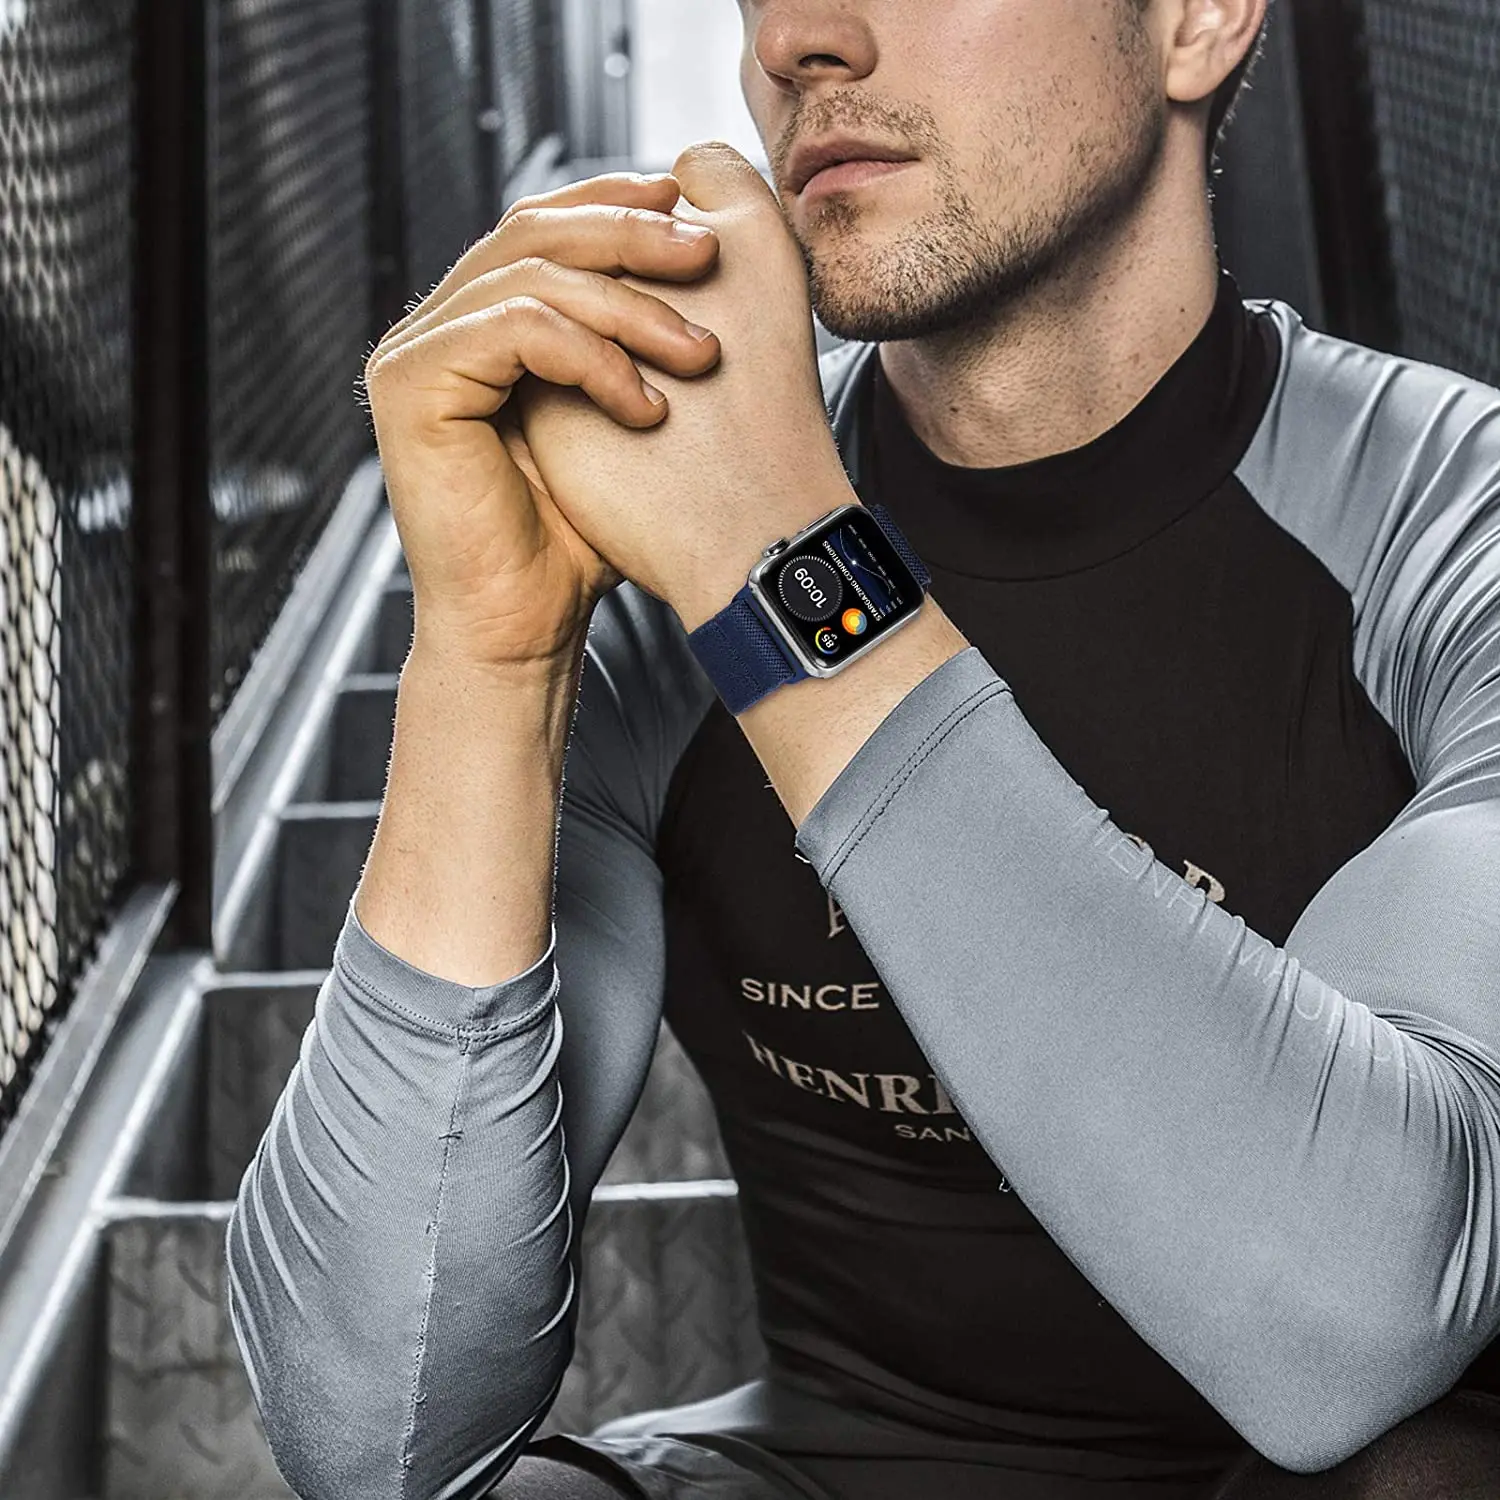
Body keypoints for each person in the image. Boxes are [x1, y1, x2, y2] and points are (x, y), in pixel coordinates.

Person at [225, 1, 1500, 1497]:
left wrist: (784, 566)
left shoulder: (1446, 525)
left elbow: (1356, 1320)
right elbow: (375, 1445)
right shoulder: (654, 580)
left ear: (1195, 21)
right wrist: (490, 654)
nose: (798, 36)